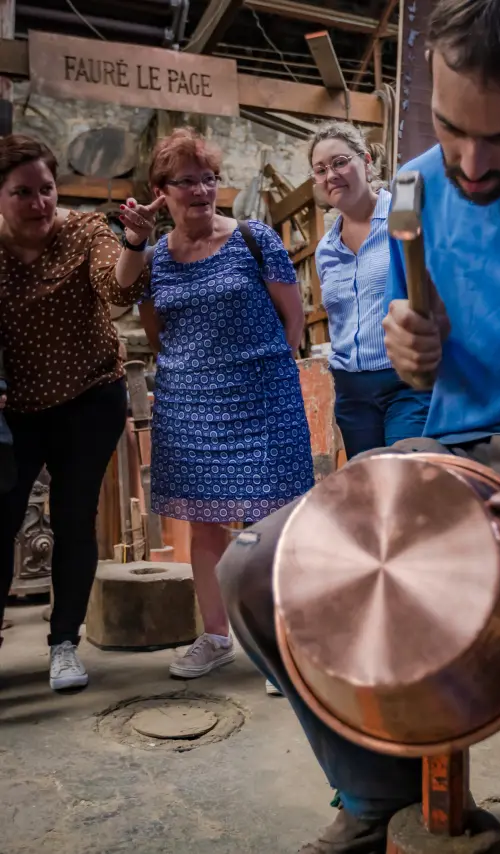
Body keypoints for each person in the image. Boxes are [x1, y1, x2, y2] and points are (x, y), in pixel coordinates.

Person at [216, 1, 500, 852]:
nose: (471, 167)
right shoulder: (415, 185)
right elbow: (429, 360)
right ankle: (377, 789)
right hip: (451, 452)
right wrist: (417, 352)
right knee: (260, 572)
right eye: (451, 131)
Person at [137, 128, 314, 684]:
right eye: (186, 181)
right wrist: (198, 376)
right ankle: (215, 637)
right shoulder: (154, 260)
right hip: (191, 406)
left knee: (269, 524)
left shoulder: (254, 237)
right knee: (206, 527)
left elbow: (294, 317)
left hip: (263, 398)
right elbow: (156, 332)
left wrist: (265, 372)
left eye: (209, 178)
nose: (201, 190)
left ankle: (274, 644)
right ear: (161, 191)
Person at [0, 133, 161, 691]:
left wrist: (135, 244)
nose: (39, 203)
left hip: (90, 395)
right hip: (17, 407)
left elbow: (115, 287)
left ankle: (63, 644)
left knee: (74, 519)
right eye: (23, 193)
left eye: (46, 189)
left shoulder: (84, 230)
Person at [311, 123, 430, 459]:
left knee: (404, 477)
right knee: (367, 491)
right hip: (352, 391)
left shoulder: (403, 217)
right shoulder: (326, 249)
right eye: (321, 170)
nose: (331, 175)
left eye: (339, 162)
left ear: (365, 161)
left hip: (404, 382)